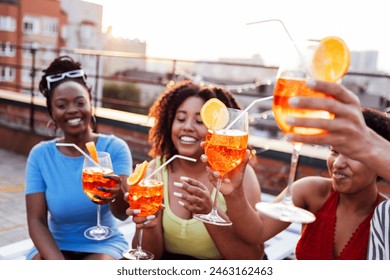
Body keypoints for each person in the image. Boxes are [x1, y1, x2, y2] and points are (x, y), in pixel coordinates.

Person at [204, 80, 390, 259]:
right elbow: (256, 232)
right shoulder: (311, 191)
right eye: (334, 151)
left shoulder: (385, 217)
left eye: (354, 154)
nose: (338, 163)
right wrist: (234, 193)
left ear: (378, 161)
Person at [126, 80, 264, 259]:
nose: (187, 126)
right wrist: (148, 225)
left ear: (220, 130)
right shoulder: (154, 171)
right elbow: (151, 257)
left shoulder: (240, 177)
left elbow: (252, 259)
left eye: (199, 121)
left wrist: (207, 211)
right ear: (169, 124)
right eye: (181, 119)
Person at [25, 56, 132, 260]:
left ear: (90, 104)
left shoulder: (115, 148)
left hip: (104, 245)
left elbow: (122, 213)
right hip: (54, 244)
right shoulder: (40, 155)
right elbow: (36, 221)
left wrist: (115, 194)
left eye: (80, 102)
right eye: (62, 105)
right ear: (52, 112)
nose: (72, 109)